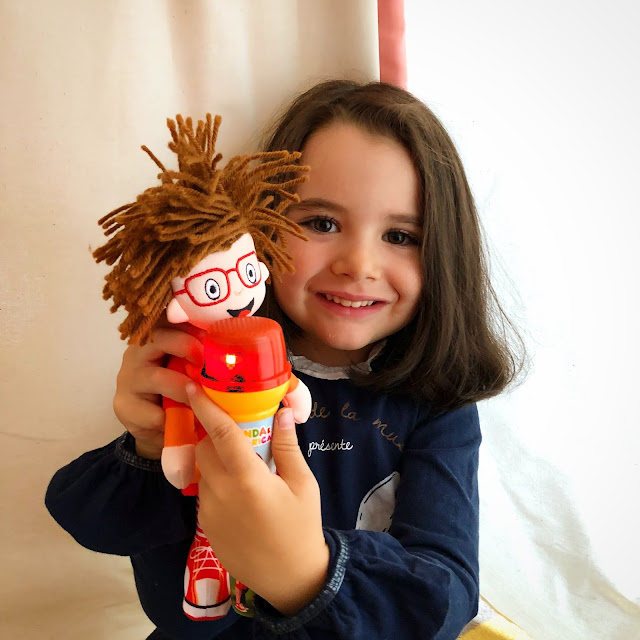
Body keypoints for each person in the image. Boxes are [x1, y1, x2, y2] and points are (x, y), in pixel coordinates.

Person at [46, 80, 523, 640]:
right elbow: (114, 544)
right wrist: (148, 447)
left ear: (443, 254)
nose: (358, 264)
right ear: (258, 232)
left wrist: (307, 574)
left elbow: (447, 597)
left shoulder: (437, 406)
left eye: (399, 235)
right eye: (322, 224)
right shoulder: (205, 372)